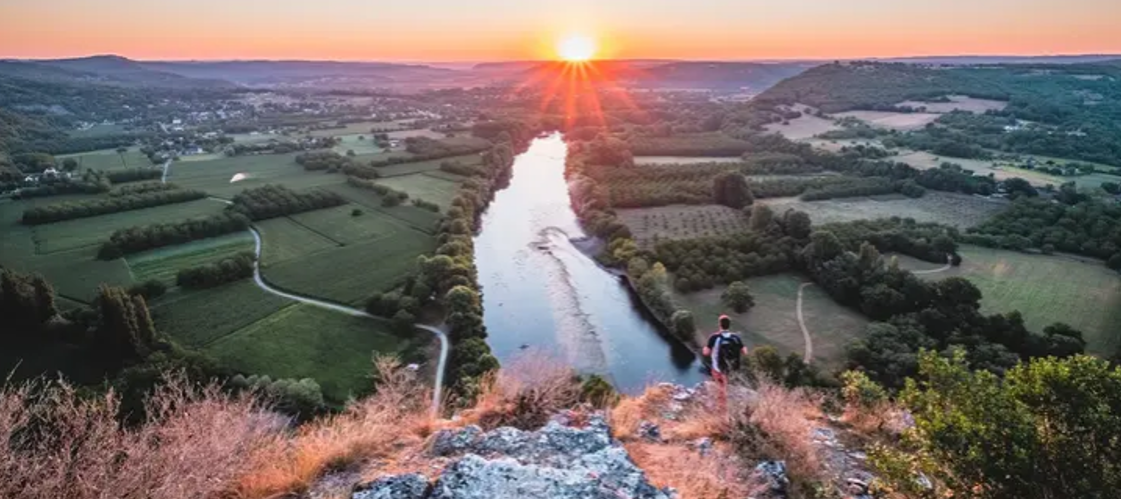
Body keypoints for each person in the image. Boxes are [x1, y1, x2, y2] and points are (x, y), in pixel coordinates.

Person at [703, 315, 748, 387]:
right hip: (731, 369)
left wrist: (705, 348)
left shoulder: (714, 337)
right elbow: (745, 352)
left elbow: (706, 353)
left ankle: (722, 395)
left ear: (719, 324)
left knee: (719, 387)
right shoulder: (735, 337)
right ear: (729, 325)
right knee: (727, 384)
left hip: (717, 369)